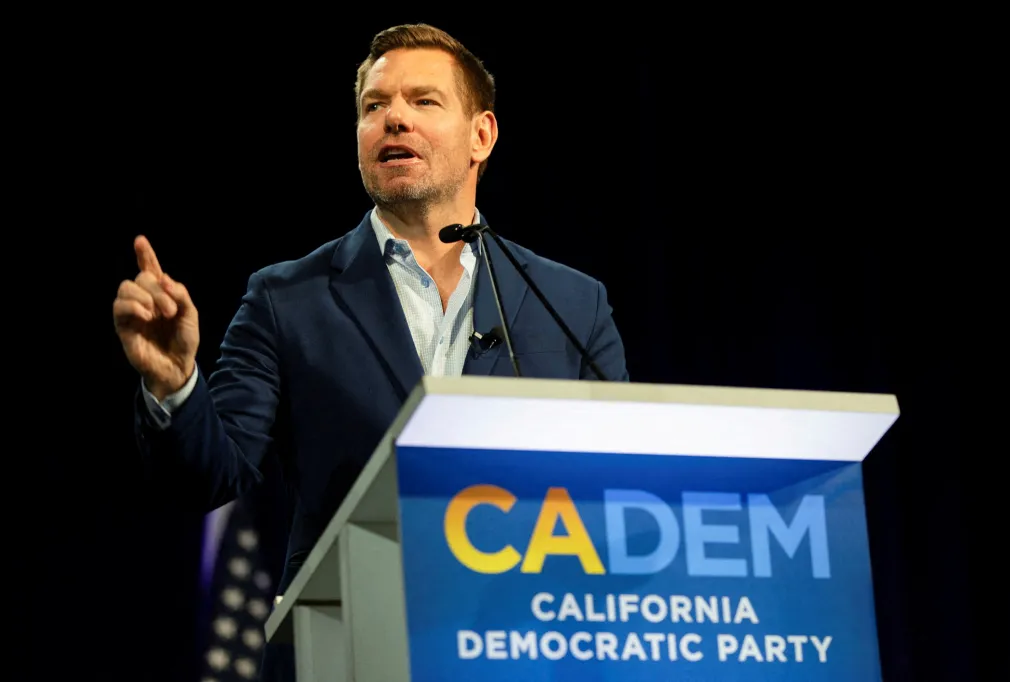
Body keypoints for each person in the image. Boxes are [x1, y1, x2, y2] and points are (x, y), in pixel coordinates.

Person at [112, 22, 628, 679]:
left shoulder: (571, 303)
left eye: (423, 101)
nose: (393, 120)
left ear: (482, 136)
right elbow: (211, 476)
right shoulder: (287, 297)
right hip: (348, 649)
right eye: (374, 106)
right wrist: (175, 384)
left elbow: (620, 487)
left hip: (526, 647)